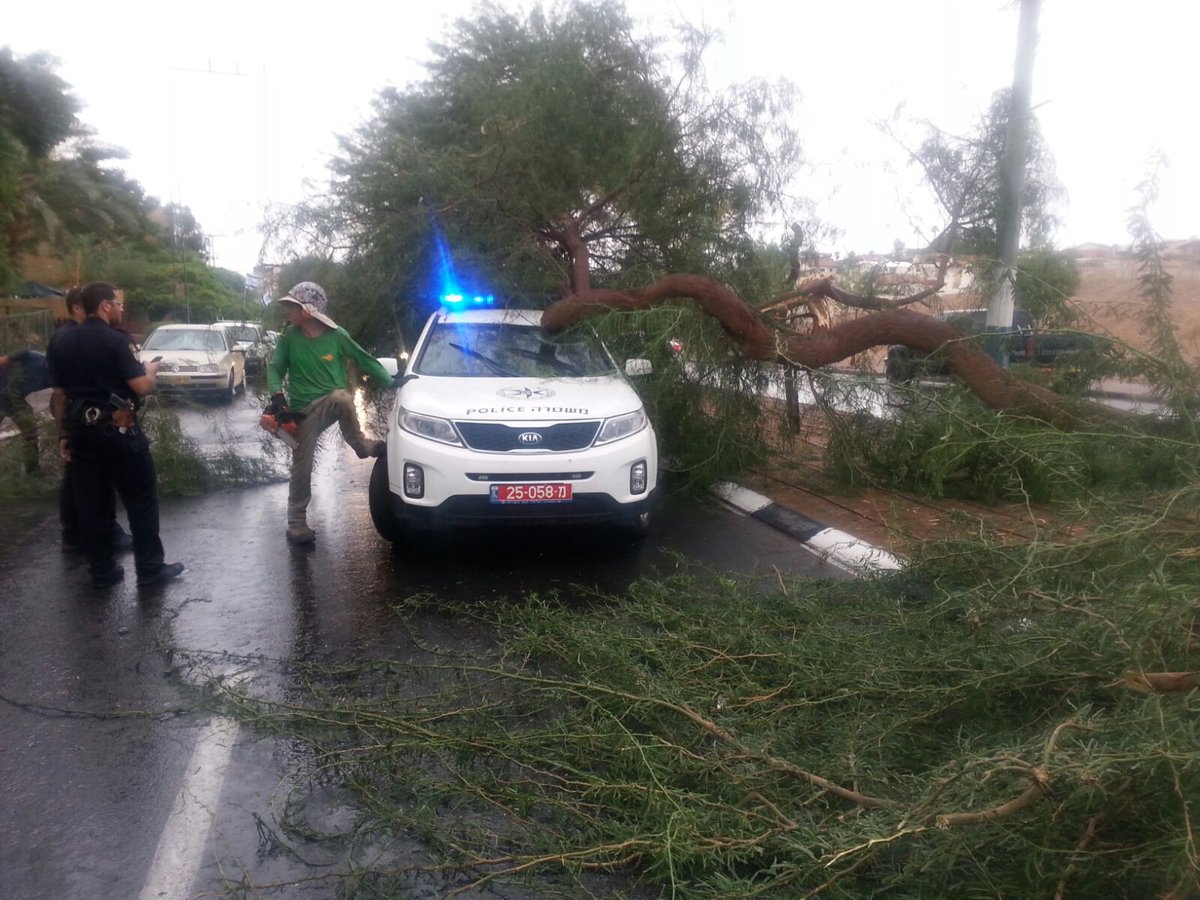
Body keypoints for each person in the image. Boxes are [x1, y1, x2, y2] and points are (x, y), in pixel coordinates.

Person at [47, 281, 183, 588]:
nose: (122, 309)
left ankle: (102, 571)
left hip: (80, 432)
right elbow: (141, 387)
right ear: (105, 306)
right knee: (140, 499)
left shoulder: (60, 341)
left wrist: (64, 434)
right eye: (118, 304)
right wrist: (149, 370)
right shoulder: (114, 340)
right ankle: (149, 569)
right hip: (119, 431)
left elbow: (59, 396)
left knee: (92, 503)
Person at [266, 281, 391, 544]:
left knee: (341, 397)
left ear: (308, 310)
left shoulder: (337, 336)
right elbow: (275, 368)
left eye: (292, 306)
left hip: (332, 403)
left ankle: (360, 444)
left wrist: (392, 381)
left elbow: (363, 358)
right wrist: (277, 395)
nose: (287, 311)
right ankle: (296, 524)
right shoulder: (290, 336)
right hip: (303, 413)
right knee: (302, 463)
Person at [46, 287, 132, 552]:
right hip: (85, 420)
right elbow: (62, 391)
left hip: (76, 419)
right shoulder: (69, 338)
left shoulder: (66, 337)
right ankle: (90, 533)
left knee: (78, 478)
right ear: (77, 308)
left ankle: (76, 533)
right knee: (88, 480)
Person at [0, 340, 49, 473]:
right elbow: (23, 353)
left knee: (31, 431)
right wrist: (7, 359)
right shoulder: (37, 359)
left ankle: (32, 469)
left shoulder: (54, 375)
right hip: (3, 391)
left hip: (15, 401)